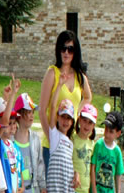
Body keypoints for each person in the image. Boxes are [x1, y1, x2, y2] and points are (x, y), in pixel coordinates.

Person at [39, 30, 92, 169]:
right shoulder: (52, 73)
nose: (66, 53)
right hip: (52, 144)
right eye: (63, 48)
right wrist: (51, 138)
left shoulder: (80, 76)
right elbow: (42, 110)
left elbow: (88, 97)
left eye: (70, 49)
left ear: (75, 52)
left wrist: (77, 113)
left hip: (70, 142)